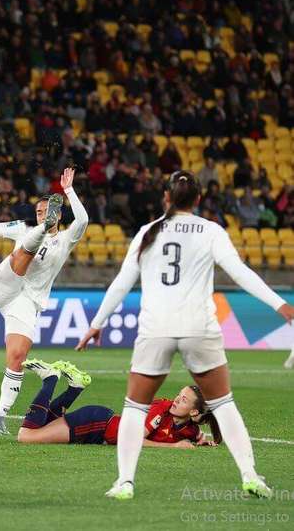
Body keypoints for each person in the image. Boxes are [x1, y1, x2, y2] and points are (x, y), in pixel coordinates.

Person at [77, 170, 294, 500]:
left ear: (165, 198)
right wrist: (282, 306)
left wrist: (97, 323)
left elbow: (121, 283)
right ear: (198, 199)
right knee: (223, 404)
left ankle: (124, 482)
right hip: (198, 328)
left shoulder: (148, 232)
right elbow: (240, 273)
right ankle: (250, 475)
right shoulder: (210, 231)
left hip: (156, 329)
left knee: (135, 408)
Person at [0, 168, 88, 435]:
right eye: (40, 213)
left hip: (26, 302)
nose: (42, 214)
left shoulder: (66, 240)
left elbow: (83, 219)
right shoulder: (22, 229)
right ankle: (39, 235)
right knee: (23, 253)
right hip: (5, 284)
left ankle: (0, 417)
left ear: (58, 215)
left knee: (17, 356)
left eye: (47, 213)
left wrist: (69, 191)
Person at [17, 359, 221, 448]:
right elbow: (132, 440)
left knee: (41, 426)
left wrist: (204, 442)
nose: (176, 399)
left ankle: (75, 388)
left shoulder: (189, 429)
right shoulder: (162, 409)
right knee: (26, 436)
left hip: (99, 424)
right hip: (94, 425)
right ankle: (50, 378)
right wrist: (175, 447)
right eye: (179, 394)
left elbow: (196, 436)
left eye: (183, 400)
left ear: (194, 412)